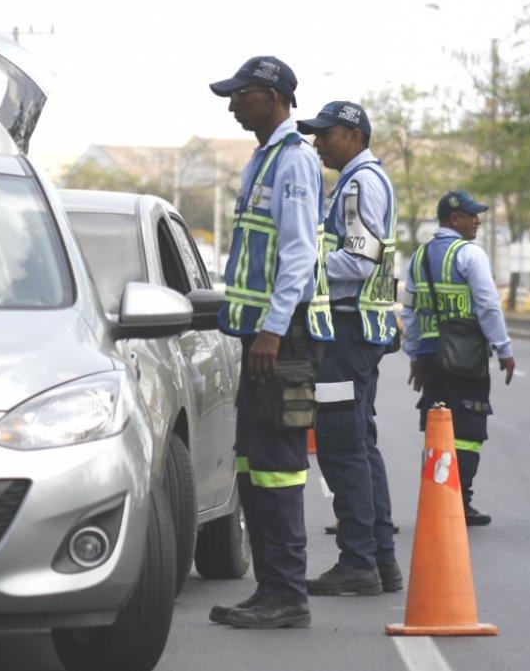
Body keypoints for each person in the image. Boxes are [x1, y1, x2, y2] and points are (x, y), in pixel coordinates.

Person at [206, 56, 332, 629]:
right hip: (262, 337)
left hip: (282, 338)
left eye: (242, 95)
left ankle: (286, 595)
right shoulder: (263, 159)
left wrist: (274, 329)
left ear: (274, 98)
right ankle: (272, 589)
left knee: (278, 466)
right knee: (254, 465)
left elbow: (300, 253)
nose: (232, 105)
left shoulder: (295, 161)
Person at [297, 102, 402, 595]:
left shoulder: (360, 183)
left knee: (341, 446)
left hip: (347, 331)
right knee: (359, 443)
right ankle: (379, 560)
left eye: (326, 135)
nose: (318, 144)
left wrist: (304, 272)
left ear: (354, 136)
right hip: (360, 332)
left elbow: (359, 260)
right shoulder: (364, 179)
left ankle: (358, 562)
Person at [401, 191, 515, 526]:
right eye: (472, 214)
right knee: (467, 428)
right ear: (455, 219)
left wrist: (415, 356)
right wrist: (504, 349)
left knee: (437, 426)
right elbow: (488, 305)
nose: (477, 220)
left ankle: (439, 496)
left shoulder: (418, 257)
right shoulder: (470, 254)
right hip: (465, 356)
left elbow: (409, 311)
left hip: (431, 357)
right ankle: (459, 501)